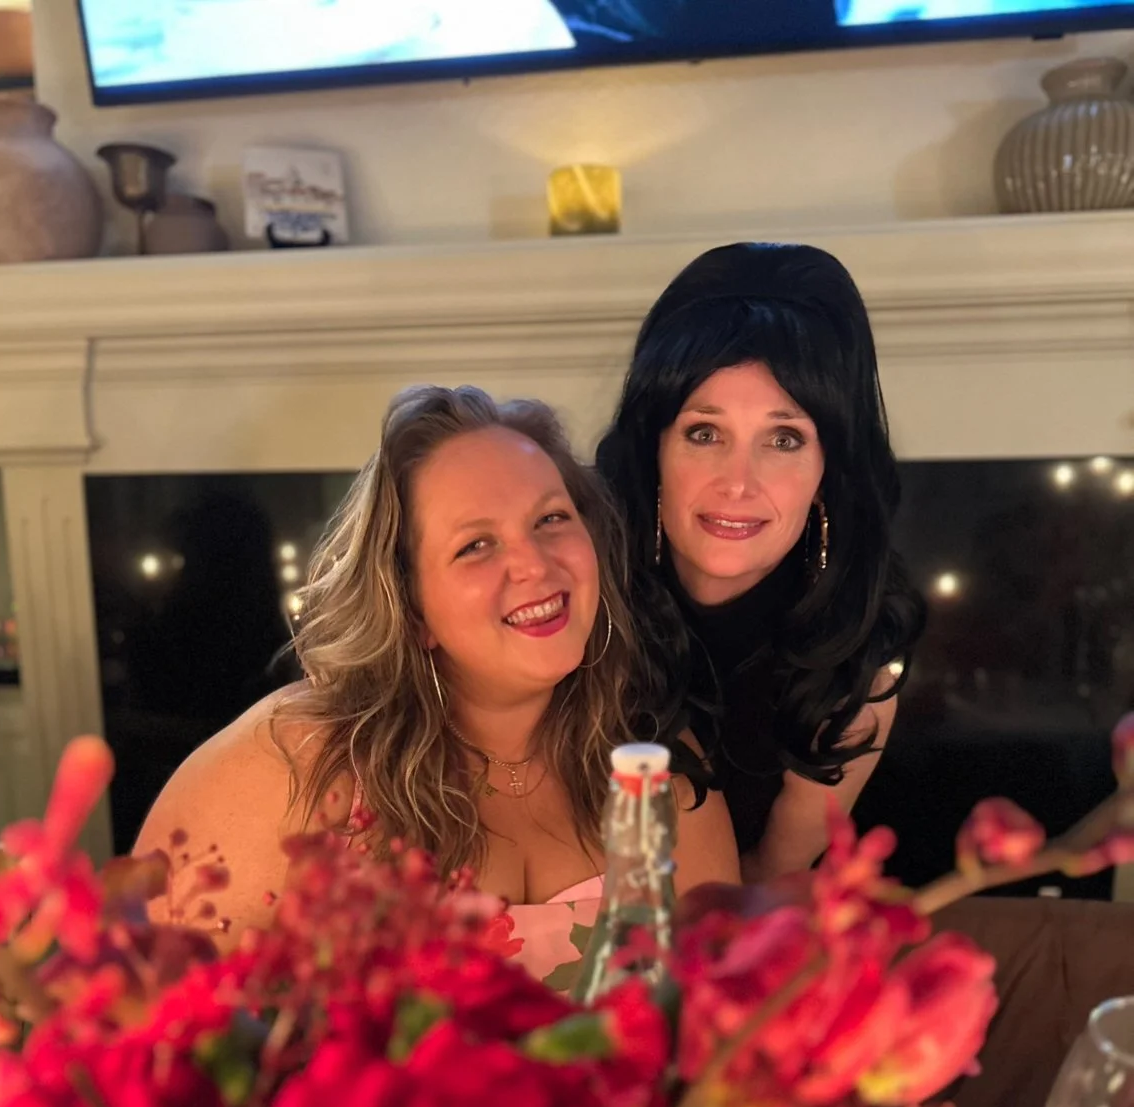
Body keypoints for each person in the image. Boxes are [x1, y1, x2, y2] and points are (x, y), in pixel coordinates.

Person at [135, 384, 739, 980]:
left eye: (552, 518)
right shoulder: (291, 765)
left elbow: (725, 1045)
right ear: (411, 607)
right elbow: (126, 1022)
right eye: (476, 545)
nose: (535, 563)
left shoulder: (662, 775)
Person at [597, 241, 925, 881]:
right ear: (655, 449)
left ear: (827, 469)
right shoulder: (579, 589)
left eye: (784, 439)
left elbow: (763, 891)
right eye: (704, 432)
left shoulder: (859, 661)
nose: (738, 482)